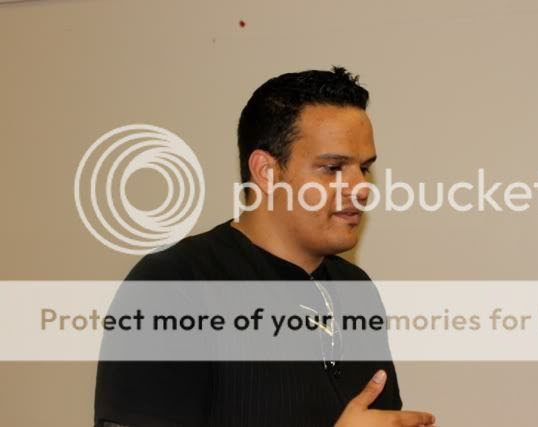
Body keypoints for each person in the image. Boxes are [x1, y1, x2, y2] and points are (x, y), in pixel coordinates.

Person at [94, 66, 436, 427]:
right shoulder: (172, 286)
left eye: (363, 169)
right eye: (333, 168)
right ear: (267, 172)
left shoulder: (357, 290)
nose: (360, 187)